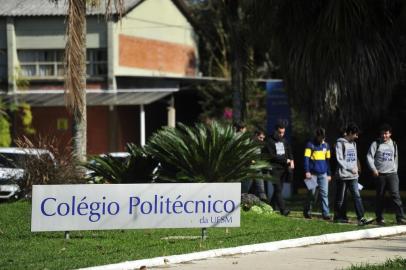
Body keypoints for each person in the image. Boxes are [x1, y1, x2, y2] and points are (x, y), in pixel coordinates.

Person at [333, 122, 373, 226]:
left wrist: (357, 168)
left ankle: (361, 218)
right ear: (350, 133)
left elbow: (355, 158)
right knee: (341, 198)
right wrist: (351, 168)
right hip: (343, 175)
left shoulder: (354, 144)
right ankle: (338, 217)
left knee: (357, 196)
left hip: (354, 176)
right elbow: (340, 160)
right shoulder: (340, 143)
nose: (357, 136)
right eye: (355, 134)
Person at [366, 124, 406, 225]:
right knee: (380, 196)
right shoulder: (376, 143)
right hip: (380, 175)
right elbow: (369, 157)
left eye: (386, 133)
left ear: (390, 134)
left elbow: (395, 158)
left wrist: (395, 170)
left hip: (392, 174)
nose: (384, 135)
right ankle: (380, 218)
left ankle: (400, 217)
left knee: (395, 195)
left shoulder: (394, 144)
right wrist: (374, 169)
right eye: (383, 133)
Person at [303, 127, 331, 220]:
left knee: (325, 194)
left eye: (324, 137)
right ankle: (307, 211)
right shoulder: (310, 145)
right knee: (311, 194)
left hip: (323, 174)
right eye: (321, 137)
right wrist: (307, 171)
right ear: (317, 136)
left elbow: (327, 161)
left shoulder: (326, 145)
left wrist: (329, 173)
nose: (322, 139)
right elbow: (306, 159)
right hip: (312, 174)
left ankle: (326, 214)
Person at [266, 120, 293, 216]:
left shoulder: (284, 141)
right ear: (276, 131)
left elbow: (289, 151)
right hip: (275, 169)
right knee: (277, 190)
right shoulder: (269, 141)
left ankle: (271, 207)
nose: (282, 134)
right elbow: (272, 156)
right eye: (280, 132)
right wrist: (285, 160)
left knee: (279, 190)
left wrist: (291, 161)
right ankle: (283, 210)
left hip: (283, 169)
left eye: (283, 132)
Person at [241, 129, 268, 201]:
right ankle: (241, 207)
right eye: (260, 137)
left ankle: (265, 208)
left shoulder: (260, 145)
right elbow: (243, 155)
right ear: (256, 135)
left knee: (262, 191)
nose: (262, 140)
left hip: (258, 170)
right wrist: (250, 160)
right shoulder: (248, 143)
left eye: (263, 138)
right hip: (249, 170)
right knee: (244, 191)